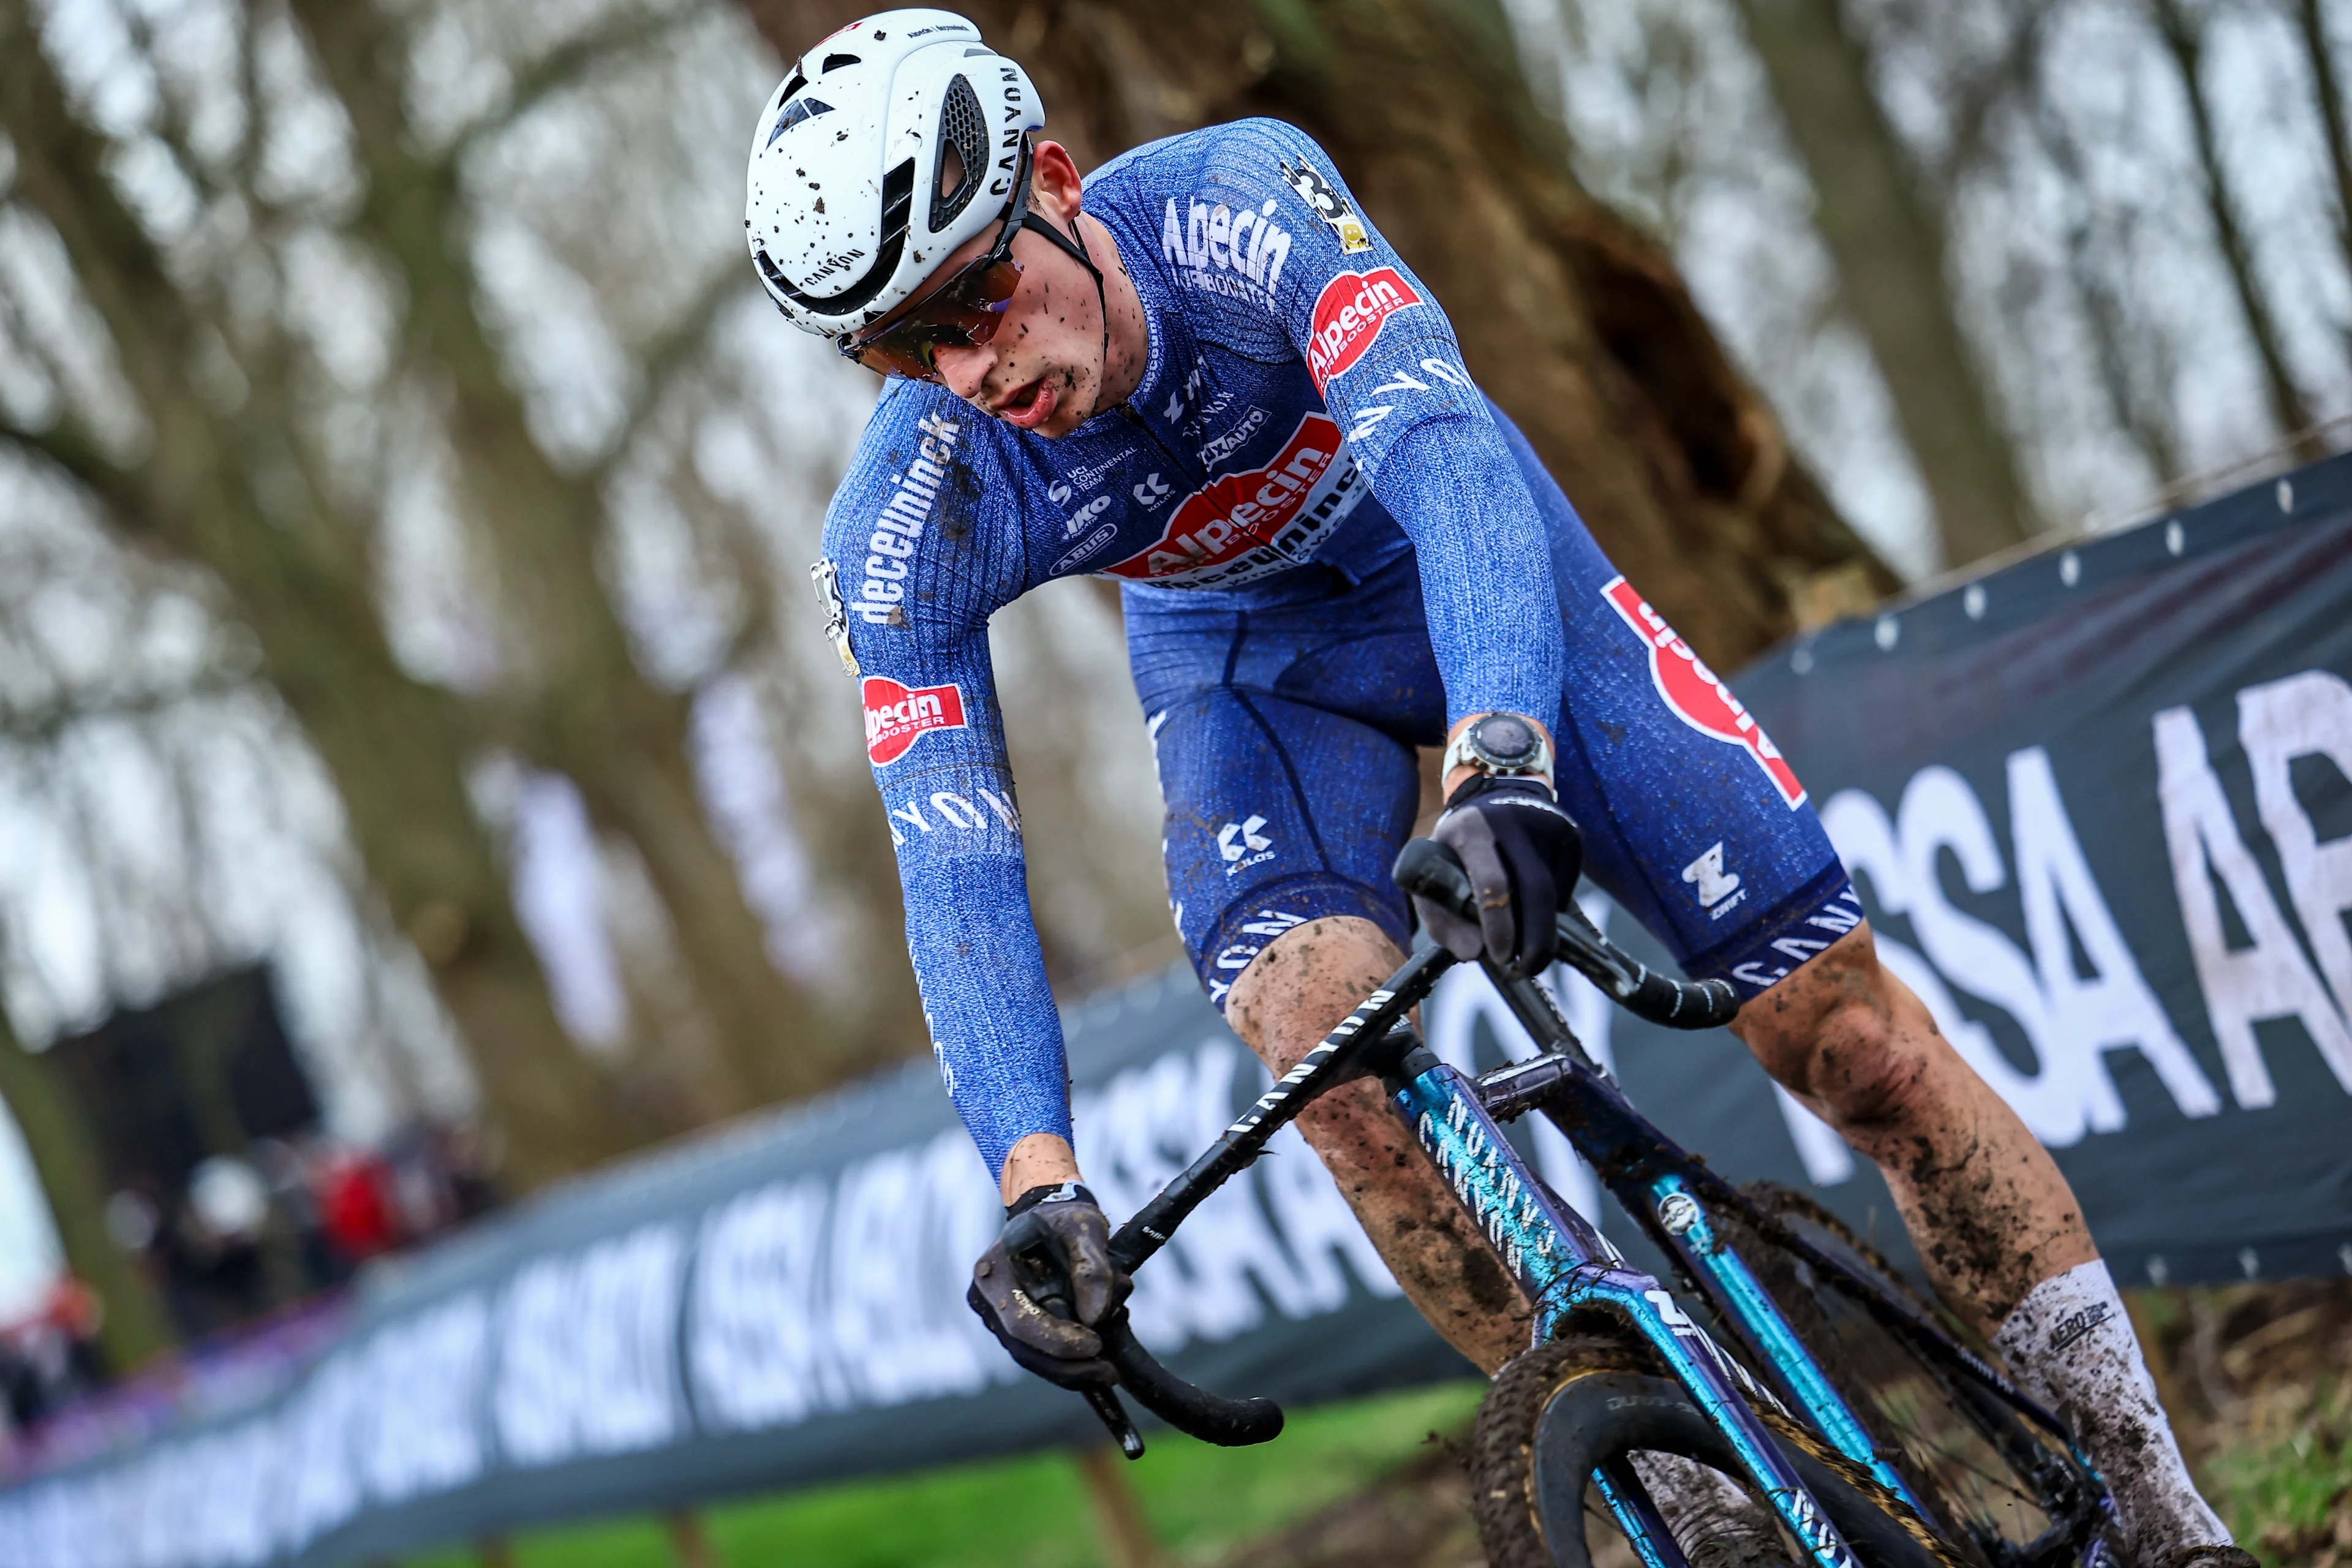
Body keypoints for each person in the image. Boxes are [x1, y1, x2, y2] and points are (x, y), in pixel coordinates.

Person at [747, 13, 2243, 1564]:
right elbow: (953, 851)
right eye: (907, 346)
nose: (973, 369)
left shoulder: (1237, 203)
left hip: (1463, 565)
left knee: (1856, 1048)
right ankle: (1704, 1503)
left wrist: (1501, 755)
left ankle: (2164, 1513)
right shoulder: (909, 519)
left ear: (1058, 181)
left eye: (983, 297)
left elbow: (1449, 452)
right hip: (1254, 675)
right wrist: (1033, 1178)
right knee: (1326, 1056)